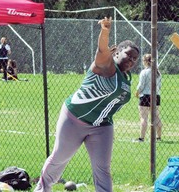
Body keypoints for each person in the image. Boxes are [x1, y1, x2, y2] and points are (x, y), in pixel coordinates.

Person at [34, 17, 140, 192]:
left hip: (102, 126)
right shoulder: (104, 65)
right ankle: (42, 190)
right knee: (59, 158)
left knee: (102, 168)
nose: (132, 60)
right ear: (117, 52)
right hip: (75, 119)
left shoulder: (126, 78)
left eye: (135, 58)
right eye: (128, 54)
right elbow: (102, 49)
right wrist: (105, 31)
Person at [134, 53, 162, 142]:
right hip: (156, 96)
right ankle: (159, 137)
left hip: (145, 95)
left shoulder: (144, 72)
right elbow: (160, 85)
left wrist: (137, 92)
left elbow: (141, 85)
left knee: (144, 117)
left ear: (146, 62)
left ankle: (141, 138)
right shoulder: (158, 73)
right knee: (156, 116)